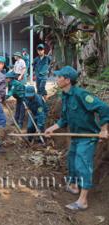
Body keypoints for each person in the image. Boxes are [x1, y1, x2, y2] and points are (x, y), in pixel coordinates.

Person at [45, 66, 109, 211]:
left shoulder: (81, 94)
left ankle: (83, 201)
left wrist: (104, 129)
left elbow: (104, 108)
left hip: (87, 137)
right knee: (72, 162)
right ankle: (74, 186)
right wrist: (52, 128)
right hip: (75, 136)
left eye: (59, 77)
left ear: (67, 80)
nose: (57, 79)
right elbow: (64, 119)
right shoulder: (65, 96)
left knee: (82, 165)